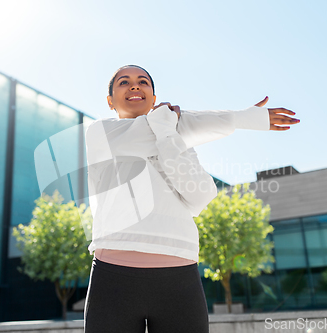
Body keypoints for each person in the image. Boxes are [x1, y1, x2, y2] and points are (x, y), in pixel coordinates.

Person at [83, 65, 300, 333]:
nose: (135, 86)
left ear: (153, 99)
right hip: (114, 275)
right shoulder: (100, 132)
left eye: (143, 82)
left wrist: (168, 134)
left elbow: (201, 196)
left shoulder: (174, 137)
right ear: (110, 101)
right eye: (124, 82)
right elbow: (166, 128)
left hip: (179, 273)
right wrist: (242, 118)